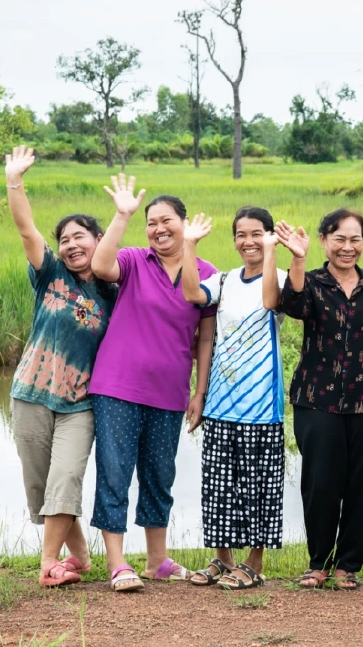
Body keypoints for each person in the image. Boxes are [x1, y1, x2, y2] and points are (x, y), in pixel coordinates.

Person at [87, 174, 217, 592]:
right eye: (151, 222)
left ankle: (157, 559)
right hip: (118, 386)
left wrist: (199, 392)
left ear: (184, 222)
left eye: (167, 220)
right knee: (115, 472)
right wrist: (122, 215)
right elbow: (99, 266)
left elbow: (205, 338)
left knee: (160, 474)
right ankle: (118, 561)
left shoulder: (207, 272)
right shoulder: (132, 260)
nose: (159, 229)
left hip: (170, 391)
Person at [3, 145, 116, 588]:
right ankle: (80, 556)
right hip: (30, 394)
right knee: (40, 487)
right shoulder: (50, 273)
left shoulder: (114, 291)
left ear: (99, 240)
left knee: (65, 477)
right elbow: (27, 230)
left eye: (80, 236)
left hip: (79, 403)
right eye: (65, 238)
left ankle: (48, 564)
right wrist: (15, 180)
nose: (71, 244)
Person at [276, 209, 363, 591]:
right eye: (339, 239)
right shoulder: (310, 281)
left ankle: (348, 565)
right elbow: (293, 306)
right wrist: (297, 257)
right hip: (317, 399)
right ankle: (318, 563)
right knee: (320, 483)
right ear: (324, 241)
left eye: (355, 239)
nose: (348, 247)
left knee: (360, 484)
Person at [179, 207, 289, 591]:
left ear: (270, 236)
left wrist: (274, 251)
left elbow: (271, 302)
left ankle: (253, 564)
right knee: (219, 487)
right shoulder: (223, 281)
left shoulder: (281, 277)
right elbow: (192, 293)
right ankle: (223, 560)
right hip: (223, 404)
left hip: (263, 405)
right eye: (241, 234)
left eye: (257, 233)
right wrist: (189, 244)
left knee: (260, 487)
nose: (248, 241)